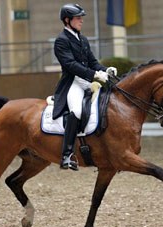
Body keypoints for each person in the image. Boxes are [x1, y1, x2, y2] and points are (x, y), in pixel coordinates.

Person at [52, 3, 117, 171]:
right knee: (77, 111)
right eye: (78, 18)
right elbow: (70, 65)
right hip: (73, 82)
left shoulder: (83, 39)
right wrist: (94, 75)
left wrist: (105, 69)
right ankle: (66, 155)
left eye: (81, 18)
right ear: (67, 20)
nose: (81, 21)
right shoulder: (61, 41)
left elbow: (92, 62)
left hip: (87, 81)